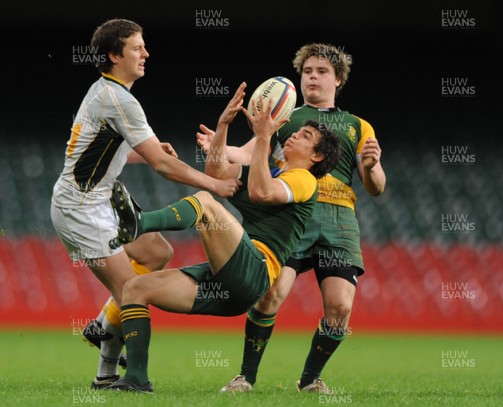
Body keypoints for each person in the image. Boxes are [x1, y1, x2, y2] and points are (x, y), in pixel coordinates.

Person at [103, 83, 340, 393]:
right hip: (231, 284)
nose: (295, 135)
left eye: (306, 137)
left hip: (254, 272)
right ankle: (136, 379)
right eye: (298, 132)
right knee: (134, 288)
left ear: (317, 156)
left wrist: (264, 136)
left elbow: (261, 192)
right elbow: (217, 172)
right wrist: (224, 125)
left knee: (205, 203)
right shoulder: (270, 170)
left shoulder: (304, 180)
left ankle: (140, 223)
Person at [50, 18, 240, 389]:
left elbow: (90, 152)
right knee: (133, 292)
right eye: (137, 47)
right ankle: (109, 376)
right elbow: (164, 165)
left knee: (155, 252)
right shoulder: (119, 99)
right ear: (113, 55)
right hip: (81, 210)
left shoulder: (106, 92)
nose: (146, 54)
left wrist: (141, 153)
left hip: (99, 197)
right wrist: (213, 183)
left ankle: (102, 326)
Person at [199, 43, 386, 393]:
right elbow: (247, 153)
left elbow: (375, 187)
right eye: (307, 72)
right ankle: (246, 377)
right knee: (269, 296)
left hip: (339, 220)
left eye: (322, 71)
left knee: (340, 308)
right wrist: (218, 147)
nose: (312, 77)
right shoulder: (285, 117)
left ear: (339, 79)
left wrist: (373, 167)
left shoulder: (359, 126)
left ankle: (310, 379)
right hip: (293, 213)